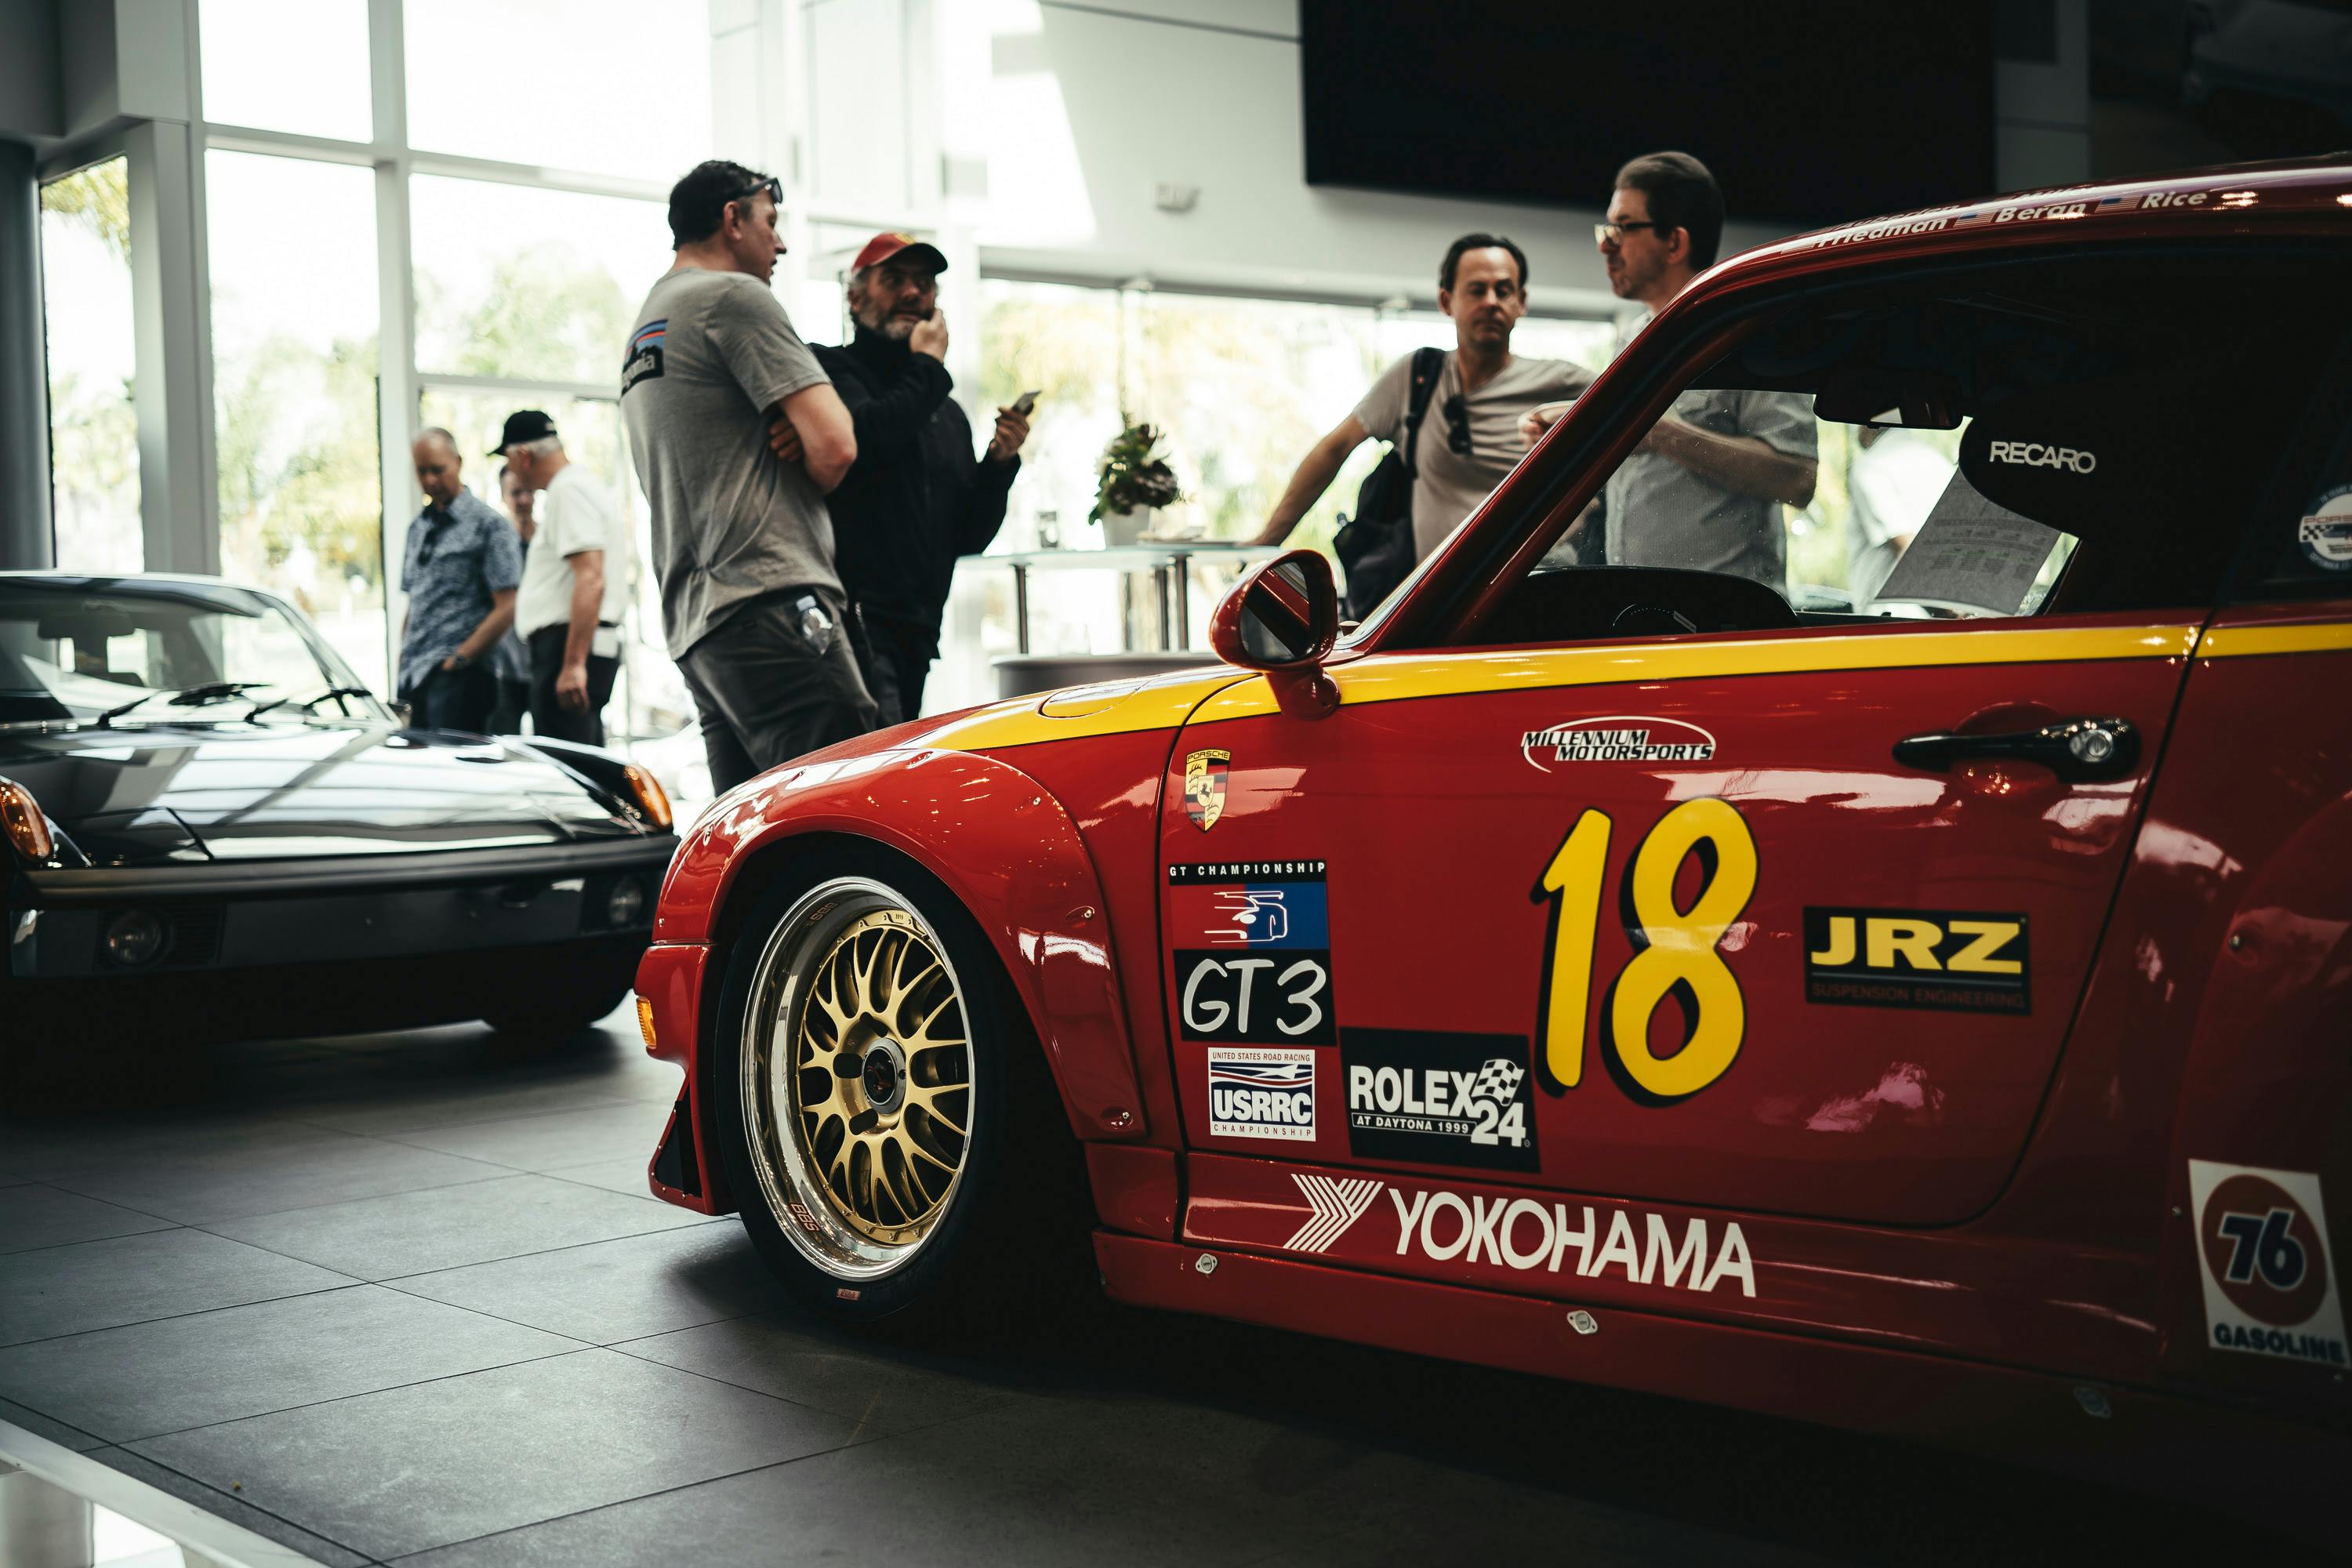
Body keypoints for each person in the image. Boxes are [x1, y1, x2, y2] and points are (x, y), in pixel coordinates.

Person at [622, 160, 871, 794]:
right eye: (770, 221)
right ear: (732, 219)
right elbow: (836, 445)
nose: (780, 244)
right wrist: (805, 441)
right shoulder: (731, 297)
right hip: (770, 601)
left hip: (703, 627)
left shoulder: (650, 324)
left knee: (755, 829)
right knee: (845, 805)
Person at [1523, 152, 1817, 587]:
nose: (1605, 244)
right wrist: (1576, 437)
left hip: (1724, 614)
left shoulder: (1749, 334)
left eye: (1622, 228)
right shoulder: (1631, 338)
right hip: (1637, 604)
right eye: (1607, 228)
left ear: (1675, 243)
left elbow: (1797, 479)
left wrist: (1661, 433)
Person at [779, 231, 1029, 725]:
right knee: (871, 766)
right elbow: (868, 441)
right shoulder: (829, 371)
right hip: (848, 627)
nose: (914, 293)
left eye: (925, 282)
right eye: (894, 280)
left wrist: (998, 465)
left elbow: (966, 537)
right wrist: (928, 366)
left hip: (918, 633)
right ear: (855, 297)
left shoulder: (947, 413)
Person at [1250, 234, 1590, 564]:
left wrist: (1565, 419)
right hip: (1442, 593)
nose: (1491, 302)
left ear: (1521, 301)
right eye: (1476, 290)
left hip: (1535, 583)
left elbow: (1626, 417)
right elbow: (1334, 450)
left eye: (1503, 290)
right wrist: (1265, 544)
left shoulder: (1559, 382)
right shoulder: (1417, 378)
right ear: (1446, 301)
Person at [497, 412, 628, 746]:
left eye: (509, 460)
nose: (511, 469)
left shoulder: (568, 490)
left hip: (567, 648)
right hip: (577, 644)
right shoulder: (579, 485)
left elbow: (590, 578)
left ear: (523, 456)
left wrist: (573, 665)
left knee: (568, 761)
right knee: (581, 752)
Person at [394, 428, 519, 733]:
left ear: (458, 463)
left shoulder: (490, 526)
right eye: (422, 471)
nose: (430, 480)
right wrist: (403, 660)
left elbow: (508, 606)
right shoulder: (417, 528)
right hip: (414, 676)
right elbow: (415, 601)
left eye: (438, 470)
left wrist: (459, 660)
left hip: (460, 679)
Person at [488, 462, 535, 733]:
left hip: (542, 663)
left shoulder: (547, 541)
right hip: (505, 667)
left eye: (528, 491)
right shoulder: (496, 544)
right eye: (516, 493)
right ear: (504, 496)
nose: (524, 499)